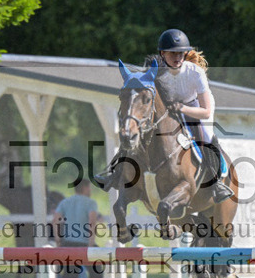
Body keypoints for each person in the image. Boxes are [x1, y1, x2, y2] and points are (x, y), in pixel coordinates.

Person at [96, 29, 234, 203]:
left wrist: (183, 108)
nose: (177, 58)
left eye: (180, 53)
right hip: (169, 109)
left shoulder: (195, 73)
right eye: (172, 54)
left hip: (196, 108)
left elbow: (205, 111)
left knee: (206, 136)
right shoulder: (157, 71)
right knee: (135, 132)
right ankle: (114, 173)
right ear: (163, 53)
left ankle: (216, 184)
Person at [52, 179, 106, 278]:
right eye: (89, 188)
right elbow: (91, 221)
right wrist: (91, 243)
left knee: (70, 275)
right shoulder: (90, 203)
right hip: (84, 244)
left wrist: (58, 240)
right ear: (85, 188)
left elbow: (55, 221)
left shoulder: (65, 202)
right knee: (96, 273)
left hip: (68, 244)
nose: (91, 191)